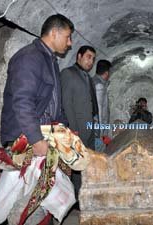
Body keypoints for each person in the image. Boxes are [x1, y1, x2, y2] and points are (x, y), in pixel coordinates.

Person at [0, 14, 74, 225]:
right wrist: (36, 138)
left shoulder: (50, 60)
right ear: (54, 33)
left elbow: (55, 103)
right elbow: (22, 102)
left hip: (42, 136)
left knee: (42, 198)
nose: (70, 43)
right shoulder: (29, 58)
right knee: (25, 200)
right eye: (67, 37)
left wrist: (65, 130)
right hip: (27, 138)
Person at [60, 45, 98, 204]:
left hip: (89, 128)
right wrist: (73, 129)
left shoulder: (88, 77)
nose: (91, 61)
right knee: (76, 166)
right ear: (79, 56)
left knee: (88, 163)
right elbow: (66, 103)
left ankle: (87, 195)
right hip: (77, 129)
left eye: (93, 59)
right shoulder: (68, 74)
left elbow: (91, 103)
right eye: (88, 57)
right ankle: (75, 200)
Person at [92, 59, 112, 151]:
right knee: (99, 152)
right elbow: (99, 109)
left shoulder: (95, 81)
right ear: (107, 72)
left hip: (98, 127)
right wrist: (101, 133)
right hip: (99, 128)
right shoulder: (99, 85)